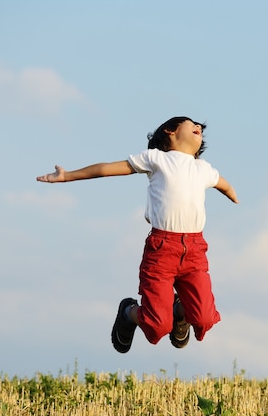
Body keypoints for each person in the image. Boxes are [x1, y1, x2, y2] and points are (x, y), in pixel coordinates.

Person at [36, 116, 239, 353]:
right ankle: (128, 313)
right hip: (162, 249)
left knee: (204, 318)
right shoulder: (156, 159)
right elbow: (106, 169)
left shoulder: (203, 168)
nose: (198, 128)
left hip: (195, 250)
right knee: (157, 326)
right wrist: (67, 175)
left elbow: (222, 183)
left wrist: (232, 193)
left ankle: (178, 311)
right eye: (191, 124)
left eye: (201, 129)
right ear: (170, 131)